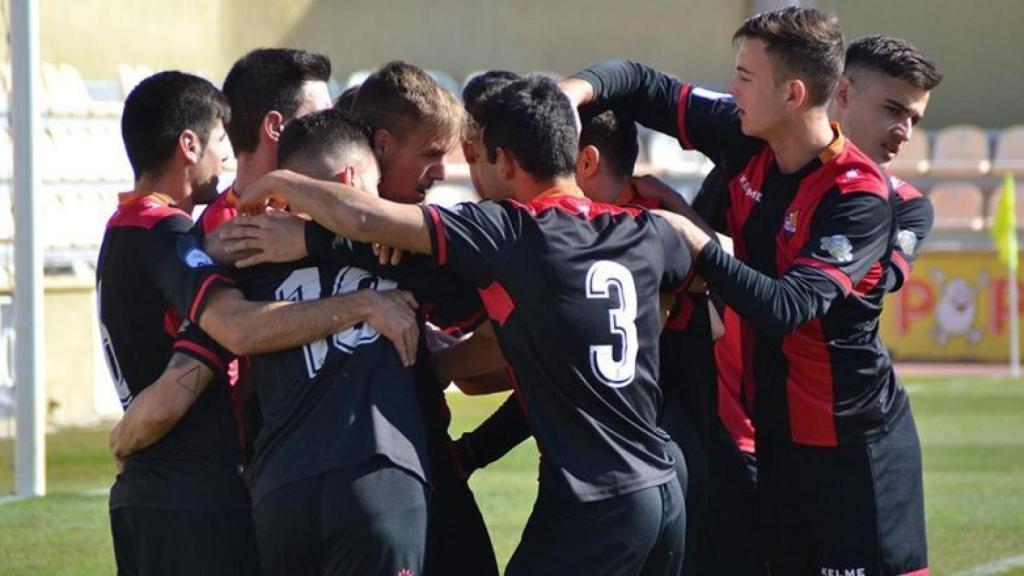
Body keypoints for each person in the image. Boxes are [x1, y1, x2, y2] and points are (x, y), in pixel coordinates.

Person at [230, 75, 694, 576]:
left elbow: (504, 356)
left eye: (469, 156)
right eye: (433, 153)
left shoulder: (483, 237)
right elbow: (234, 327)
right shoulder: (261, 237)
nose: (445, 172)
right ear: (376, 151)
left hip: (443, 479)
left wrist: (437, 364)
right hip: (342, 478)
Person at [563, 7, 927, 575]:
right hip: (775, 435)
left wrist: (692, 237)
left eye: (745, 76)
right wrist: (568, 96)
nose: (731, 89)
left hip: (853, 445)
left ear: (792, 94)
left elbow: (787, 308)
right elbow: (640, 83)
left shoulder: (859, 196)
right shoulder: (745, 134)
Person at [100, 71, 419, 576]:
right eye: (218, 141)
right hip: (193, 500)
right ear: (189, 145)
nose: (225, 157)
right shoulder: (166, 233)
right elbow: (238, 329)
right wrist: (364, 305)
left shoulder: (124, 229)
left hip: (148, 494)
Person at [193, 47, 335, 466]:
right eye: (317, 118)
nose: (330, 130)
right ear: (275, 126)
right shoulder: (215, 236)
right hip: (263, 463)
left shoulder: (338, 215)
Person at [832, 34, 941, 292]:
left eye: (914, 121)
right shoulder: (772, 159)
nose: (906, 133)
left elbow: (875, 284)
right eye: (893, 110)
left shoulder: (907, 206)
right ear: (844, 94)